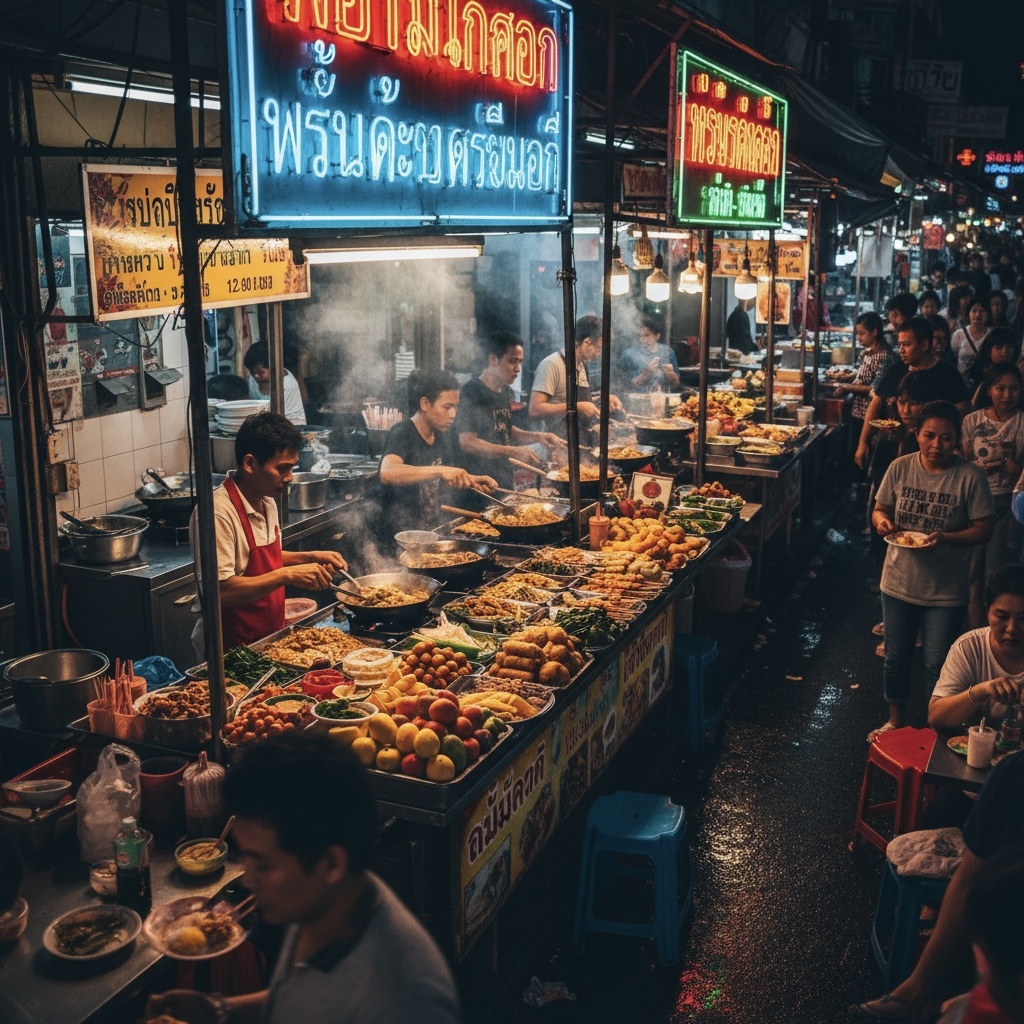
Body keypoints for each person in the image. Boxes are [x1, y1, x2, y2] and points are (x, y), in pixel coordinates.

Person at [146, 733, 462, 1024]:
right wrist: (219, 1010)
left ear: (331, 863)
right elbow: (308, 997)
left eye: (262, 865)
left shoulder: (406, 1004)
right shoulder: (324, 904)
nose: (248, 880)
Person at [856, 751, 1024, 1021]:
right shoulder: (1014, 773)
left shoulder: (1013, 773)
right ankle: (921, 984)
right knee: (945, 812)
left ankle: (924, 984)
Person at [870, 401, 995, 740]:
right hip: (898, 582)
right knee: (896, 659)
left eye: (946, 437)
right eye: (929, 436)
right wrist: (882, 523)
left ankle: (933, 731)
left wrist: (947, 538)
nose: (937, 445)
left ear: (958, 439)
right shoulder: (900, 467)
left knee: (937, 665)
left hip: (946, 590)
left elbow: (984, 529)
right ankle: (895, 722)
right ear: (916, 435)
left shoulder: (970, 476)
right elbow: (880, 509)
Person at [189, 413, 346, 654]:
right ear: (250, 464)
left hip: (270, 640)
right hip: (231, 650)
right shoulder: (216, 513)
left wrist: (311, 557)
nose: (290, 477)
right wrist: (288, 575)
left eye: (292, 468)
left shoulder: (266, 500)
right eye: (282, 468)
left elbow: (264, 559)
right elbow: (220, 592)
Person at [379, 369, 496, 537]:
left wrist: (470, 480)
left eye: (455, 407)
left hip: (432, 533)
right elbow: (387, 472)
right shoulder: (402, 432)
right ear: (425, 404)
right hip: (402, 537)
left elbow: (444, 479)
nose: (453, 415)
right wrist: (441, 470)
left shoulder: (441, 434)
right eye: (447, 407)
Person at [855, 316, 971, 472]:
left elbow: (964, 409)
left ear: (924, 345)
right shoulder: (897, 369)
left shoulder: (947, 373)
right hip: (892, 447)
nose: (901, 350)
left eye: (907, 344)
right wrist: (863, 442)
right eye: (900, 345)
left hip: (931, 452)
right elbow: (876, 402)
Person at [457, 331, 564, 488]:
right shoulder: (472, 391)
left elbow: (505, 429)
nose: (518, 368)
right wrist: (513, 451)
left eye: (520, 362)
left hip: (503, 479)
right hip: (479, 483)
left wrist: (539, 436)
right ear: (493, 360)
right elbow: (467, 442)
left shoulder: (505, 390)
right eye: (513, 361)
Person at [962, 365, 1024, 625]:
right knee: (971, 572)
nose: (1007, 395)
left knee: (995, 572)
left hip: (1005, 505)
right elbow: (963, 461)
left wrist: (1017, 468)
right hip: (973, 505)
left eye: (1014, 389)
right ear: (989, 390)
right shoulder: (971, 421)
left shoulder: (1022, 422)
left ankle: (993, 630)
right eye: (1001, 388)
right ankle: (974, 627)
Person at [928, 563, 1024, 732]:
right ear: (988, 611)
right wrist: (979, 692)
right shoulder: (969, 647)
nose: (1011, 628)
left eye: (1023, 618)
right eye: (1002, 616)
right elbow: (936, 718)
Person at [529, 314, 623, 439]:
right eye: (599, 348)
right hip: (558, 441)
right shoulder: (552, 364)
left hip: (581, 437)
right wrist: (576, 407)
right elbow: (534, 410)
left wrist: (602, 398)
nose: (600, 354)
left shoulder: (582, 366)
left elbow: (577, 400)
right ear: (587, 342)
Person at [832, 311, 895, 442]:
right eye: (857, 333)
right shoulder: (866, 352)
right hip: (858, 411)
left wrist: (846, 387)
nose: (858, 337)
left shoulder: (884, 356)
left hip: (871, 415)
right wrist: (849, 376)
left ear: (874, 332)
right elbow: (866, 374)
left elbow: (875, 388)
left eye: (862, 333)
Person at [244, 342, 307, 426]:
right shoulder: (253, 378)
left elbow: (280, 419)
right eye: (252, 371)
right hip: (262, 424)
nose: (256, 376)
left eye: (260, 372)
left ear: (273, 367)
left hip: (288, 426)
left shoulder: (287, 385)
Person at [617, 317, 681, 391]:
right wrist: (647, 373)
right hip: (636, 396)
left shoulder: (668, 352)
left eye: (646, 335)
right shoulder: (628, 354)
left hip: (662, 395)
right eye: (640, 336)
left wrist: (671, 374)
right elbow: (622, 386)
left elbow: (676, 385)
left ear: (657, 336)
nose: (642, 339)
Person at [970, 327, 1019, 399]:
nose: (1004, 352)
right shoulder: (979, 371)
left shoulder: (1019, 370)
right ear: (989, 350)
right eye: (998, 348)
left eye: (1008, 347)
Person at [951, 298, 991, 385]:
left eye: (982, 311)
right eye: (974, 311)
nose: (977, 314)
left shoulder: (991, 335)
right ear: (968, 313)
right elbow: (953, 356)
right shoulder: (958, 335)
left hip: (983, 382)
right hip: (960, 382)